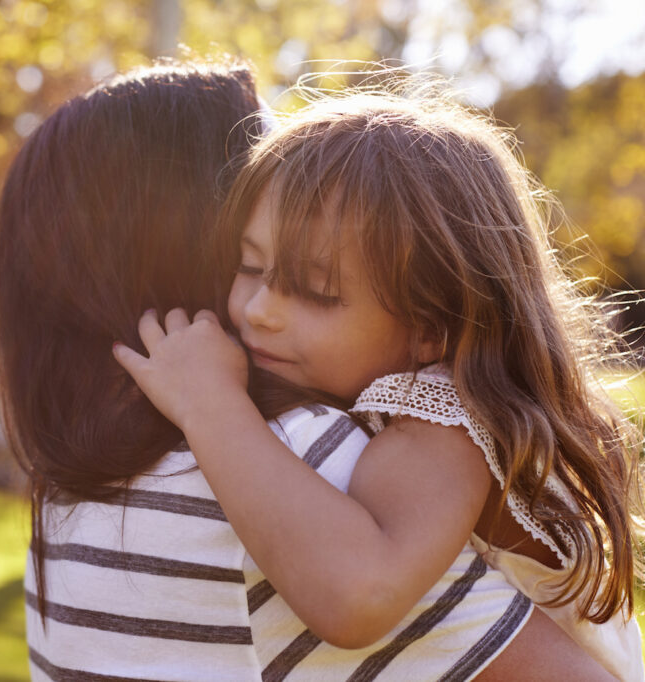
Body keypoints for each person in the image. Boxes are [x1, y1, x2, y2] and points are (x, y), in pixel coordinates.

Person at [114, 80, 643, 680]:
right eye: (251, 265)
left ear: (432, 329)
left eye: (318, 293)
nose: (259, 308)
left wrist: (209, 403)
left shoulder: (445, 418)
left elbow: (358, 595)